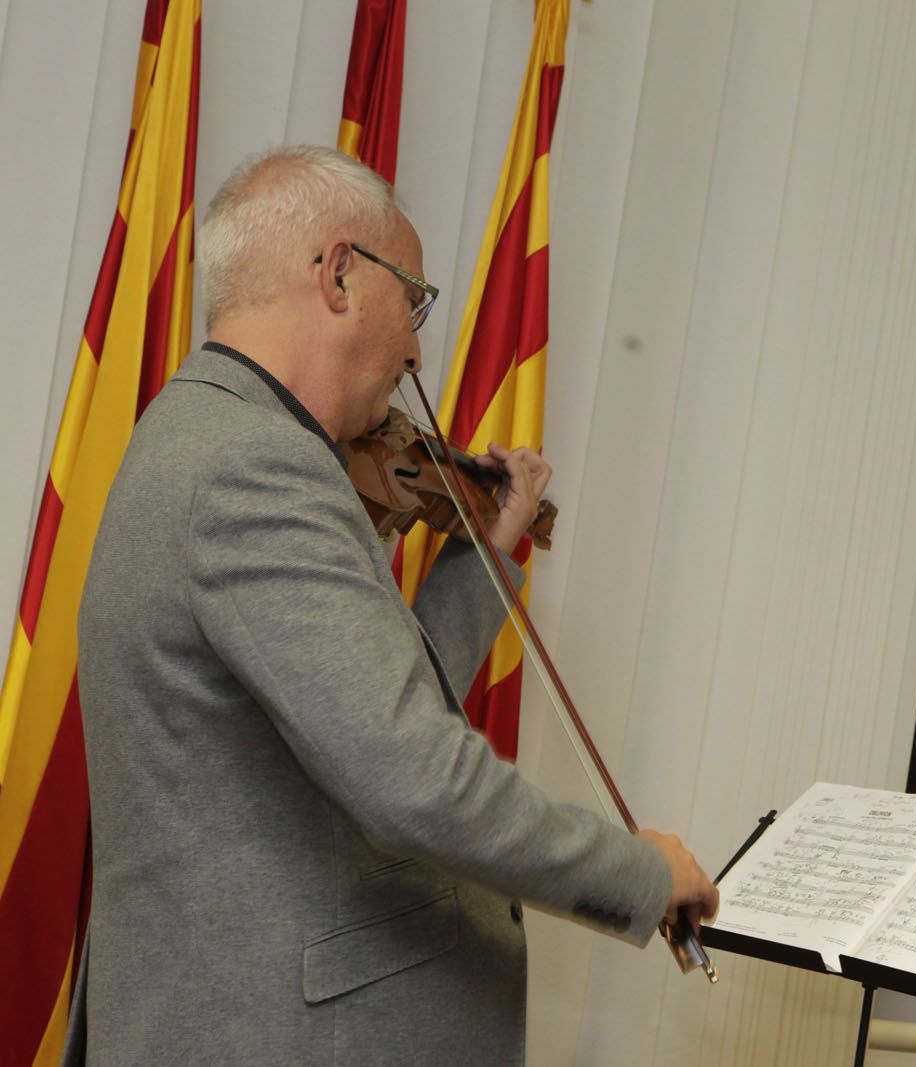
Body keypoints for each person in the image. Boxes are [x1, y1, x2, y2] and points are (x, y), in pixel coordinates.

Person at [66, 145, 719, 1065]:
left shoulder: (202, 435)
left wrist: (486, 551)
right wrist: (642, 871)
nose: (416, 349)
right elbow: (415, 777)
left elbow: (361, 708)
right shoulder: (257, 465)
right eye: (411, 301)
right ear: (338, 274)